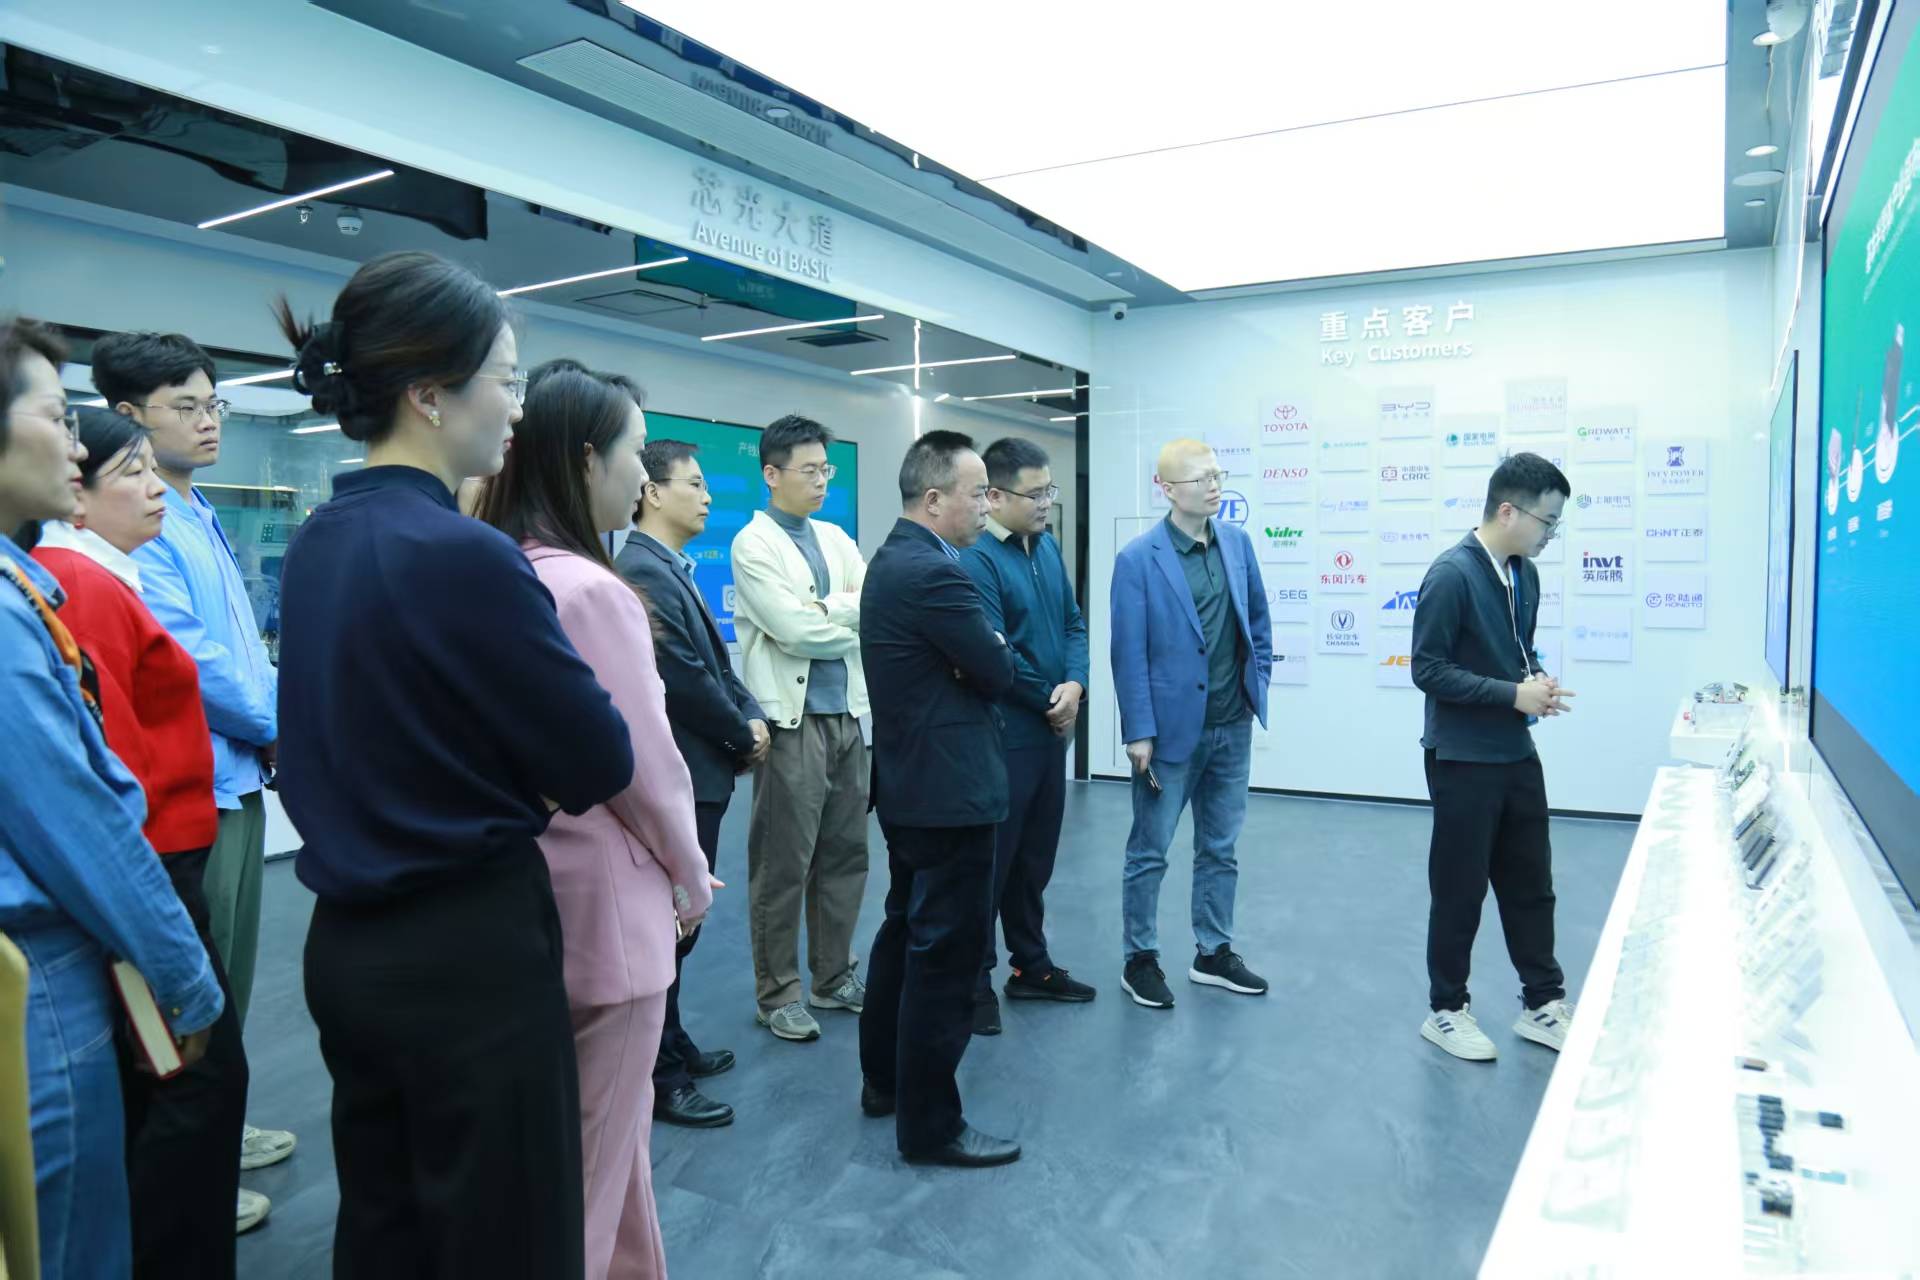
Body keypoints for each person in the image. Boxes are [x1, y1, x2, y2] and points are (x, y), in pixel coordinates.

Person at [273, 252, 634, 1278]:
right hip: (468, 952)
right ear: (430, 394)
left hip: (348, 945)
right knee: (505, 1237)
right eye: (505, 379)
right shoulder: (467, 554)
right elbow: (597, 755)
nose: (516, 406)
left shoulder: (320, 539)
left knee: (385, 1225)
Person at [0, 316, 224, 1280]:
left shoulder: (25, 583)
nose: (74, 439)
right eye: (56, 415)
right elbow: (83, 818)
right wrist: (183, 977)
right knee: (70, 1240)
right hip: (43, 975)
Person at [477, 369, 714, 1279]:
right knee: (590, 1175)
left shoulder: (500, 565)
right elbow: (645, 768)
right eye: (635, 453)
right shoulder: (590, 589)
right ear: (587, 460)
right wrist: (690, 873)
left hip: (537, 894)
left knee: (606, 1157)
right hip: (611, 914)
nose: (643, 476)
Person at [31, 407, 252, 1272]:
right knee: (192, 1085)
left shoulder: (99, 578)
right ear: (75, 492)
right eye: (132, 472)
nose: (157, 489)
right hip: (152, 873)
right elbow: (111, 779)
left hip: (163, 862)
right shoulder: (77, 585)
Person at [91, 330, 292, 1185]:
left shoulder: (196, 508)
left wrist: (274, 718)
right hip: (193, 788)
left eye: (215, 405)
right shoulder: (140, 524)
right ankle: (193, 1167)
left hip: (237, 776)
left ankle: (222, 1132)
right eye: (186, 407)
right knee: (193, 985)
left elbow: (239, 646)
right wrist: (278, 720)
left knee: (231, 972)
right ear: (127, 415)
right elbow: (193, 660)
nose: (209, 421)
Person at [858, 430, 1021, 1168]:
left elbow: (978, 661)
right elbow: (996, 668)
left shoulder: (895, 559)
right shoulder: (934, 575)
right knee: (946, 957)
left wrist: (979, 655)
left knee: (904, 932)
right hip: (950, 793)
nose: (988, 504)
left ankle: (886, 1082)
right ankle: (931, 1127)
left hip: (912, 787)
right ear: (933, 498)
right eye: (978, 492)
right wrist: (986, 651)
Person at [616, 437, 769, 1128]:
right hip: (679, 772)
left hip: (702, 770)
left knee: (682, 926)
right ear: (652, 492)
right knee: (670, 926)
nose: (708, 496)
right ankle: (659, 1074)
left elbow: (719, 667)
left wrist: (750, 714)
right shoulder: (639, 570)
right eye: (695, 484)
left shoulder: (670, 566)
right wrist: (742, 733)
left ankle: (671, 1041)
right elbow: (682, 676)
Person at [1410, 451, 1578, 1061]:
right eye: (1546, 521)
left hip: (1515, 752)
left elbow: (1515, 652)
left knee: (1532, 883)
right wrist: (1512, 694)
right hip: (1462, 759)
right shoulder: (1451, 575)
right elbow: (1428, 670)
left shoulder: (1524, 575)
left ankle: (1542, 1003)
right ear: (1508, 511)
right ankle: (1446, 1009)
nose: (1550, 534)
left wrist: (1535, 684)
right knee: (1459, 890)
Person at [1110, 438, 1273, 1010]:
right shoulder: (1138, 559)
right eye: (1201, 478)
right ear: (1167, 489)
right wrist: (1138, 729)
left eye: (1218, 475)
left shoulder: (1237, 543)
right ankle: (1140, 958)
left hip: (1232, 725)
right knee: (1149, 851)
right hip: (1168, 735)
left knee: (1220, 848)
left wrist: (1256, 685)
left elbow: (1257, 621)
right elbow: (1128, 652)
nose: (1214, 485)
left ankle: (1213, 952)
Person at [730, 415, 870, 1042]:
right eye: (809, 470)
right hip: (792, 724)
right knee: (783, 863)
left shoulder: (837, 538)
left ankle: (833, 976)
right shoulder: (752, 544)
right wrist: (841, 617)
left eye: (825, 469)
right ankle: (778, 992)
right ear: (771, 473)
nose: (821, 481)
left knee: (846, 856)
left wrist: (827, 609)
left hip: (849, 718)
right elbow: (795, 631)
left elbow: (872, 602)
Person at [958, 437, 1094, 1036]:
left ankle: (1031, 966)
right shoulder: (979, 559)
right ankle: (973, 982)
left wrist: (1076, 685)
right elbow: (996, 652)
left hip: (1049, 736)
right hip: (1007, 736)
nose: (1045, 503)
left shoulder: (1047, 547)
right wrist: (1050, 698)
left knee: (1035, 860)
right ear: (994, 496)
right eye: (1034, 493)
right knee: (994, 864)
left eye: (1049, 491)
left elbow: (1073, 623)